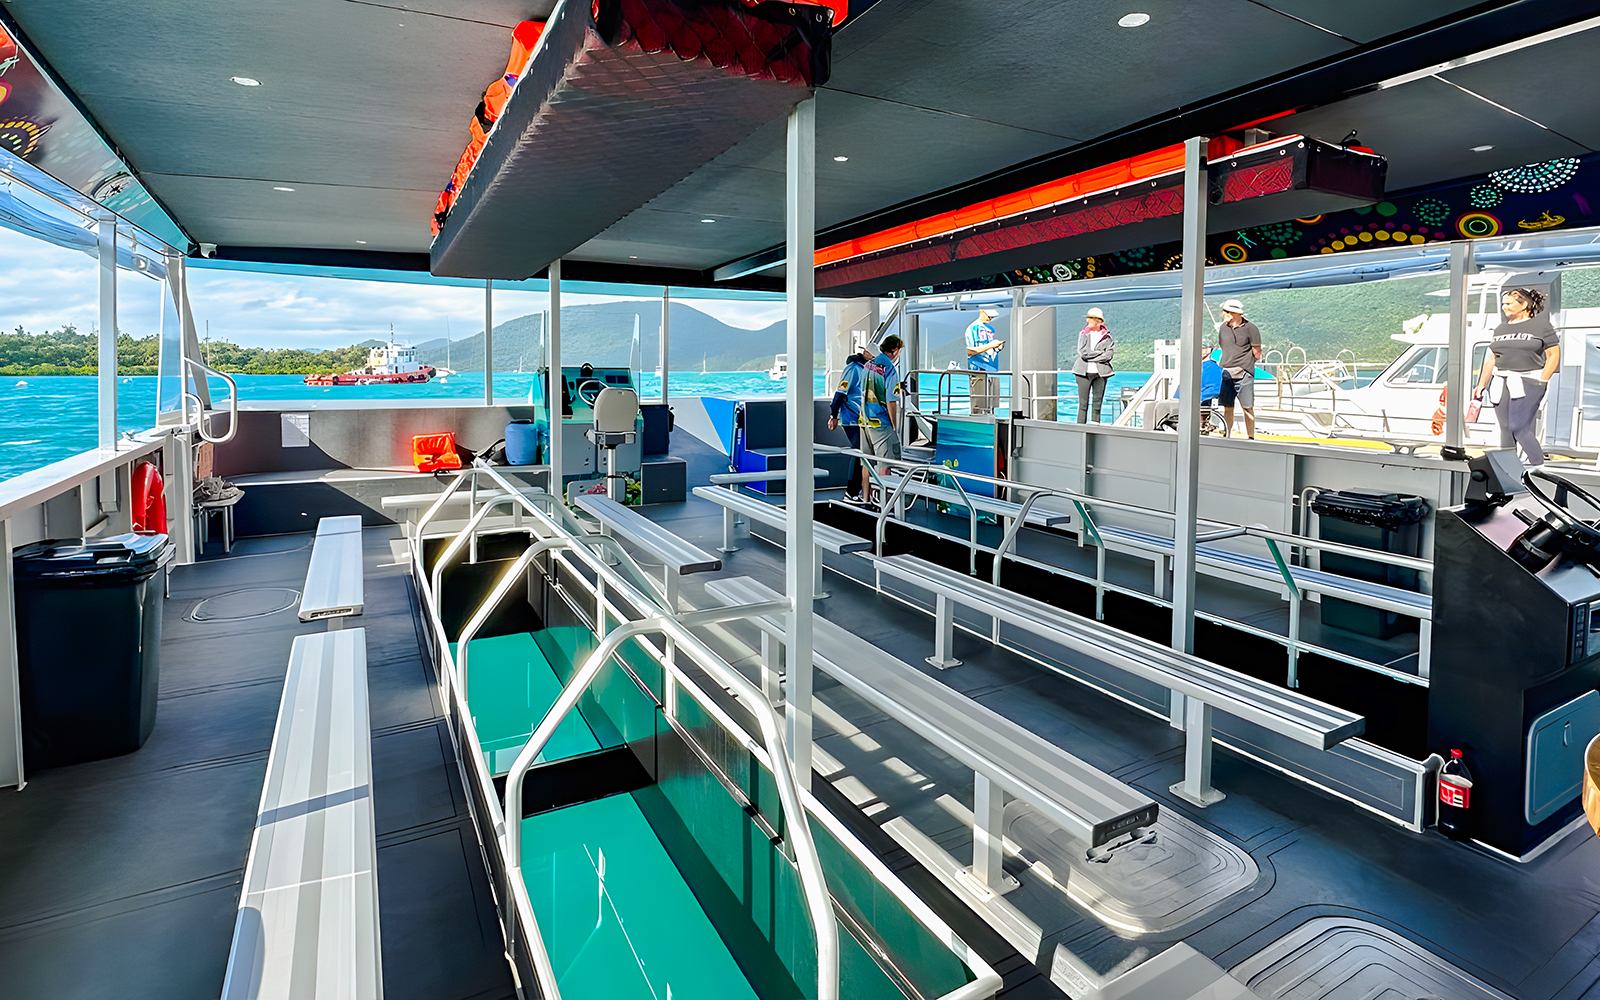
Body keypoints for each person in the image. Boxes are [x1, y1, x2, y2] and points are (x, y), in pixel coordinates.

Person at [1474, 287, 1560, 469]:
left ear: (1524, 305)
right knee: (1505, 428)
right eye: (1503, 304)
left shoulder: (1541, 326)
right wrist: (1481, 384)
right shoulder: (1500, 328)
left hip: (1529, 380)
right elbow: (1492, 359)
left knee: (1519, 427)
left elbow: (1553, 355)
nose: (1504, 307)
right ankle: (1509, 469)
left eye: (1509, 303)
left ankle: (1538, 467)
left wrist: (1542, 380)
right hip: (1500, 380)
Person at [861, 335, 904, 501]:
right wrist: (894, 425)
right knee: (884, 465)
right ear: (894, 350)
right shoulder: (890, 369)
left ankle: (866, 500)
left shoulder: (867, 365)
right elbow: (891, 401)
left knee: (867, 462)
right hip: (881, 422)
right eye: (899, 350)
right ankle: (884, 504)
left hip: (864, 420)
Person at [828, 347, 872, 502]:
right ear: (865, 354)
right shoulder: (853, 369)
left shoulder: (868, 369)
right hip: (852, 419)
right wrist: (833, 415)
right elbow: (840, 393)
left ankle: (861, 491)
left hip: (865, 420)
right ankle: (851, 492)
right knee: (859, 452)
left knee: (864, 453)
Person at [1216, 298, 1262, 439]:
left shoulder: (1251, 328)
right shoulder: (1223, 328)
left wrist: (1247, 363)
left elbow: (1257, 352)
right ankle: (1227, 435)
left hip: (1244, 373)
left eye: (1224, 311)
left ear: (1232, 313)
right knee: (1227, 407)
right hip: (1227, 372)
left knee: (1247, 407)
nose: (1222, 314)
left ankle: (1251, 437)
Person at [1072, 307, 1114, 423]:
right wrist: (1100, 354)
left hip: (1101, 373)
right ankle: (1080, 430)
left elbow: (1109, 355)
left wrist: (1093, 357)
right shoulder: (1083, 334)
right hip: (1082, 373)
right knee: (1083, 405)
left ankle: (1095, 429)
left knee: (1097, 405)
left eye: (1090, 319)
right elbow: (1083, 353)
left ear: (1098, 321)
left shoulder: (1107, 337)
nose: (1087, 321)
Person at [965, 308, 1004, 415]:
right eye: (989, 316)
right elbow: (970, 351)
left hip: (992, 369)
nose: (990, 319)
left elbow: (988, 349)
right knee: (978, 405)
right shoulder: (972, 328)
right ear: (982, 312)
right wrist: (991, 345)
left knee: (994, 405)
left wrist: (997, 348)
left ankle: (992, 423)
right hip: (978, 370)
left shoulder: (991, 329)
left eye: (992, 317)